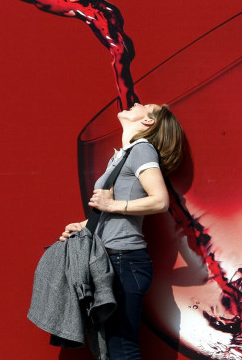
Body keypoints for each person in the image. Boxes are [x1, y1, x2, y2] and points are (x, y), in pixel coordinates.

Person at [60, 103, 184, 359]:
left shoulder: (142, 150)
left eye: (145, 105)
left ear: (149, 122)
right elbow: (112, 212)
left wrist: (113, 204)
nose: (136, 102)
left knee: (121, 350)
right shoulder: (123, 155)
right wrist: (84, 226)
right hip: (109, 259)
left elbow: (160, 201)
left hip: (124, 262)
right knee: (106, 349)